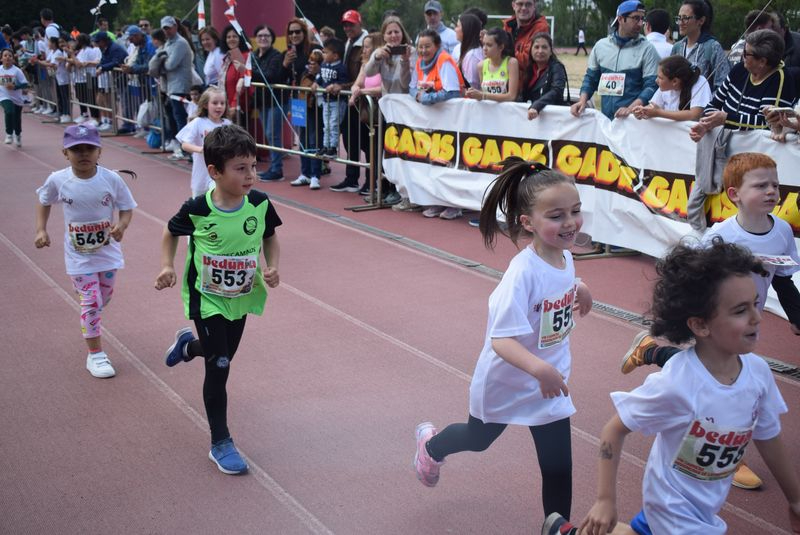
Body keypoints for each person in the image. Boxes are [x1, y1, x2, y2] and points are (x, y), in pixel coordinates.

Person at [543, 240, 800, 535]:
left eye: (755, 303)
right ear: (700, 325)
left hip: (704, 508)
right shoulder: (677, 383)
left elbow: (768, 435)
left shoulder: (759, 374)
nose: (757, 317)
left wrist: (795, 499)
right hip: (671, 510)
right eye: (740, 310)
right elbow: (613, 430)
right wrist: (605, 500)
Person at [414, 157, 592, 523]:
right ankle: (431, 447)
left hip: (548, 385)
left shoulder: (563, 255)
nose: (570, 222)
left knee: (558, 466)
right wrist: (539, 369)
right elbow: (502, 341)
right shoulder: (520, 274)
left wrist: (579, 287)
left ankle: (557, 528)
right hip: (507, 381)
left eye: (575, 211)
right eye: (556, 216)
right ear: (527, 222)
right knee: (478, 439)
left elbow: (557, 283)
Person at [621, 152, 800, 492]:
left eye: (775, 185)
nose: (771, 191)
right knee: (720, 379)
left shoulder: (782, 232)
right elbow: (690, 277)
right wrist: (686, 319)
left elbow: (782, 277)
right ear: (734, 195)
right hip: (712, 320)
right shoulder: (722, 235)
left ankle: (650, 351)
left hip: (748, 318)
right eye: (760, 185)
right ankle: (732, 455)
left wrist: (796, 315)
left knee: (720, 376)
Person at [154, 124, 281, 475]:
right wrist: (167, 265)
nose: (251, 175)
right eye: (241, 168)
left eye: (253, 166)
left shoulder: (259, 203)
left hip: (241, 296)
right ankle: (220, 442)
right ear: (215, 172)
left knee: (222, 354)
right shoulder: (198, 208)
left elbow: (270, 236)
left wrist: (272, 266)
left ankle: (188, 347)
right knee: (220, 365)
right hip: (206, 298)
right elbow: (170, 231)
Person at [34, 124, 137, 379]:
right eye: (76, 149)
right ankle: (95, 355)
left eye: (89, 148)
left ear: (99, 151)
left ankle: (87, 301)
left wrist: (122, 225)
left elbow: (126, 207)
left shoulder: (111, 179)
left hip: (107, 253)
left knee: (103, 298)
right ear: (65, 153)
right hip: (78, 256)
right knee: (91, 302)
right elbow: (44, 201)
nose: (83, 154)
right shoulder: (58, 180)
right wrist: (41, 230)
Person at [687, 30, 798, 231]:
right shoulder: (739, 69)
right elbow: (714, 104)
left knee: (746, 204)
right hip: (723, 148)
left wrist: (725, 119)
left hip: (753, 160)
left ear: (762, 61)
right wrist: (706, 124)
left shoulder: (781, 79)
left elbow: (767, 123)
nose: (741, 56)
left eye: (746, 53)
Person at [571, 0, 659, 121]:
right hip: (606, 119)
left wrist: (630, 109)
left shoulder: (647, 49)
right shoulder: (601, 46)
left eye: (642, 19)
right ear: (621, 19)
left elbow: (651, 86)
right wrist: (582, 101)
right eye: (635, 18)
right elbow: (590, 79)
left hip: (633, 121)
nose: (640, 24)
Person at [411, 29, 465, 220]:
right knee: (433, 161)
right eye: (420, 47)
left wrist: (427, 98)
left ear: (437, 46)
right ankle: (437, 200)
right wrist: (418, 95)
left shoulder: (444, 61)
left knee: (451, 162)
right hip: (431, 122)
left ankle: (454, 204)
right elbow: (412, 87)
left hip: (451, 120)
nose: (423, 50)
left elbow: (452, 92)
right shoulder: (419, 62)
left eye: (427, 46)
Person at [364, 15, 413, 208]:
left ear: (402, 33)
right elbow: (368, 73)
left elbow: (405, 83)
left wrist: (404, 61)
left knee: (402, 152)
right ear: (384, 35)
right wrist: (376, 57)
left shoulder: (410, 52)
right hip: (387, 111)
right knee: (387, 151)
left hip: (406, 111)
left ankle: (400, 191)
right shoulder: (381, 52)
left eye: (396, 32)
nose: (393, 36)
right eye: (389, 32)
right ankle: (386, 188)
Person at [329, 9, 368, 193]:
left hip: (364, 101)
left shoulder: (365, 44)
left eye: (351, 24)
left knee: (367, 143)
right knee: (350, 140)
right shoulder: (348, 43)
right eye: (345, 25)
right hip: (349, 100)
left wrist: (342, 86)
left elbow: (363, 77)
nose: (347, 28)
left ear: (359, 23)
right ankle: (351, 178)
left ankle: (371, 181)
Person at [281, 18, 322, 189]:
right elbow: (282, 77)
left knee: (313, 137)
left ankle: (315, 174)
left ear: (304, 33)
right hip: (298, 100)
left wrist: (317, 75)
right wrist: (285, 64)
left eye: (298, 31)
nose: (294, 35)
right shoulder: (289, 53)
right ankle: (304, 173)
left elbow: (325, 71)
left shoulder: (314, 49)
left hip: (312, 100)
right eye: (291, 32)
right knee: (302, 138)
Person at [176, 87, 232, 197]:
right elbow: (185, 144)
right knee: (199, 204)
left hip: (220, 173)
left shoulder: (227, 124)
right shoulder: (198, 122)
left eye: (222, 103)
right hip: (201, 174)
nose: (219, 106)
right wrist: (201, 149)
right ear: (206, 105)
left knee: (218, 199)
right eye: (215, 103)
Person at [348, 32, 384, 198]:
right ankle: (370, 181)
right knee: (369, 148)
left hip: (382, 113)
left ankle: (380, 184)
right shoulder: (365, 65)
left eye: (367, 46)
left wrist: (362, 91)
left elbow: (383, 89)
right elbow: (357, 83)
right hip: (368, 113)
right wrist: (356, 90)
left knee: (379, 150)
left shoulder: (384, 64)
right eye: (363, 46)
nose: (363, 50)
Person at [252, 25, 286, 182]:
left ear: (272, 39)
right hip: (262, 101)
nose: (263, 38)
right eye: (260, 35)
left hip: (276, 101)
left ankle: (277, 169)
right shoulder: (253, 55)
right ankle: (273, 167)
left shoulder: (276, 56)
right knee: (269, 134)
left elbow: (270, 76)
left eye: (266, 35)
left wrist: (249, 72)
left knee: (273, 134)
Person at [671, 0, 729, 91]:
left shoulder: (713, 47)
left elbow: (723, 84)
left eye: (685, 18)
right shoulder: (677, 48)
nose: (680, 22)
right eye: (679, 18)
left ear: (701, 20)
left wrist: (708, 99)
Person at [632, 55, 711, 121]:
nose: (656, 80)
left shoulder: (699, 82)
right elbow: (653, 107)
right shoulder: (665, 87)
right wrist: (643, 111)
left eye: (660, 78)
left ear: (675, 81)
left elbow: (694, 115)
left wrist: (659, 113)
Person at [290, 49, 324, 190]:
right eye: (309, 62)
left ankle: (315, 175)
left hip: (315, 110)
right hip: (301, 107)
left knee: (314, 141)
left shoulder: (322, 76)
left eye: (314, 62)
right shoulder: (304, 73)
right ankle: (305, 173)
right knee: (303, 141)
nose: (311, 65)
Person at [160, 16, 194, 141]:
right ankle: (177, 142)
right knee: (172, 116)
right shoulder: (168, 43)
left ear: (175, 27)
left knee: (180, 117)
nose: (167, 31)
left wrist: (161, 63)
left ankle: (184, 145)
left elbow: (170, 64)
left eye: (169, 28)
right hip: (171, 85)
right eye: (164, 29)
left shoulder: (180, 43)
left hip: (180, 86)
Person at [313, 38, 349, 159]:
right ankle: (326, 145)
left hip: (337, 102)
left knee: (333, 124)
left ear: (335, 55)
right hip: (326, 101)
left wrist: (336, 86)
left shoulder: (341, 68)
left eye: (326, 52)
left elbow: (343, 82)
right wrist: (315, 83)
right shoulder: (323, 65)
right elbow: (319, 78)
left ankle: (333, 147)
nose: (323, 54)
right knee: (326, 125)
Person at [466, 27, 519, 104]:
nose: (484, 48)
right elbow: (483, 93)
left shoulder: (511, 63)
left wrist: (483, 95)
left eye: (489, 45)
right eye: (483, 44)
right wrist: (474, 94)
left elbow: (511, 96)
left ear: (501, 47)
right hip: (488, 110)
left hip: (506, 110)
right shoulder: (481, 65)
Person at [522, 31, 566, 120]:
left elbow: (557, 91)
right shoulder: (528, 68)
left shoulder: (557, 68)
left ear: (551, 51)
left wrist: (537, 106)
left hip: (553, 118)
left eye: (544, 47)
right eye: (536, 47)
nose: (540, 51)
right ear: (531, 50)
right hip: (531, 118)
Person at [503, 0, 550, 77]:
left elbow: (526, 61)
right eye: (520, 4)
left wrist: (504, 51)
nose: (524, 8)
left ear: (534, 6)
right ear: (513, 5)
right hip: (506, 79)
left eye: (528, 4)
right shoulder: (507, 26)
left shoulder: (541, 28)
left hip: (528, 82)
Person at [93, 31, 128, 131]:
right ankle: (110, 121)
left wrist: (102, 68)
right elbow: (104, 60)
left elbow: (116, 62)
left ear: (104, 41)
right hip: (116, 79)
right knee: (106, 99)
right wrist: (100, 66)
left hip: (124, 78)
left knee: (124, 103)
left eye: (98, 42)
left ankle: (118, 123)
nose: (97, 44)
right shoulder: (106, 48)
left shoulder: (114, 48)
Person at [218, 25, 251, 126]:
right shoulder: (227, 57)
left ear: (240, 39)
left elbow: (243, 82)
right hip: (226, 105)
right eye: (228, 37)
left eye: (234, 36)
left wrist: (234, 105)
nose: (231, 39)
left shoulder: (243, 56)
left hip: (238, 107)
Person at [68, 33, 101, 127]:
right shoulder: (82, 51)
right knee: (82, 97)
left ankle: (95, 117)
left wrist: (72, 55)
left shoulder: (88, 51)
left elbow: (79, 64)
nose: (76, 43)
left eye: (77, 41)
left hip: (89, 76)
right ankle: (86, 115)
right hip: (82, 77)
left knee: (91, 98)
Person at [1, 48, 28, 147]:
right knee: (9, 111)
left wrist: (15, 86)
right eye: (5, 55)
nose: (7, 57)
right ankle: (9, 134)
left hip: (16, 98)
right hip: (4, 96)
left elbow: (25, 84)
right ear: (1, 58)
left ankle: (18, 134)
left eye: (10, 56)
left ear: (13, 59)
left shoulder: (17, 71)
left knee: (17, 119)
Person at [455, 13, 484, 88]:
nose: (455, 29)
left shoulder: (472, 56)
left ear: (466, 29)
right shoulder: (471, 52)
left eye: (457, 26)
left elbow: (473, 87)